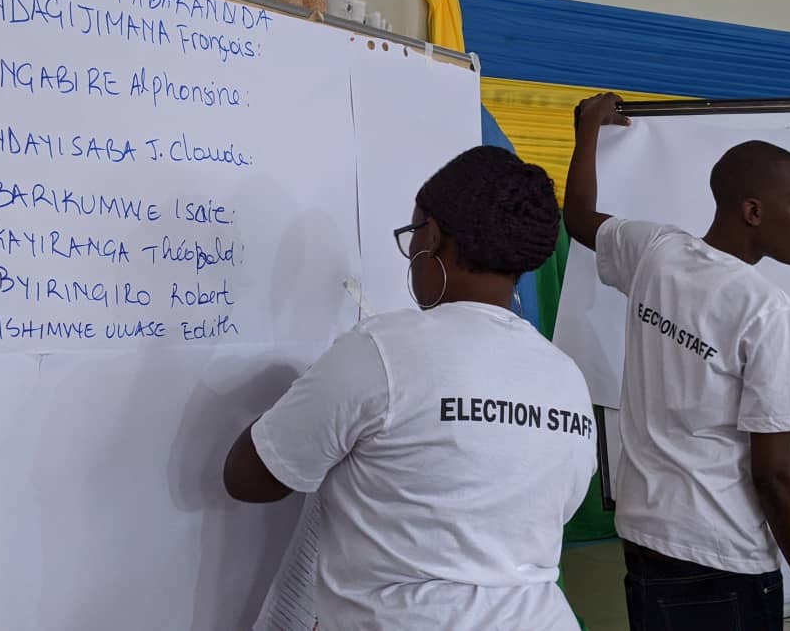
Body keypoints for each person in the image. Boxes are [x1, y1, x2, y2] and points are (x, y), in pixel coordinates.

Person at [224, 145, 598, 630]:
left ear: (433, 237)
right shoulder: (565, 376)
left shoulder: (382, 350)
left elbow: (248, 477)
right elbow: (550, 511)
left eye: (413, 233)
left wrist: (301, 398)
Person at [563, 93, 790, 631]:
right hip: (723, 557)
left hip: (646, 539)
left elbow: (578, 218)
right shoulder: (765, 310)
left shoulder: (655, 252)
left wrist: (587, 133)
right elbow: (775, 476)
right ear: (753, 211)